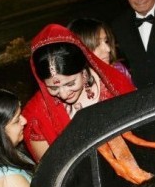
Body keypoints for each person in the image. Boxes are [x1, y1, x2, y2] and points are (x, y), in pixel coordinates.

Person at [22, 23, 136, 162]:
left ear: (83, 71)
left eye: (70, 84)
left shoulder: (113, 85)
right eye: (53, 88)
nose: (64, 94)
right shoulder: (36, 115)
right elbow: (52, 167)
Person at [67, 17, 133, 84]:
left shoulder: (119, 70)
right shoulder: (72, 84)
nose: (108, 49)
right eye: (97, 44)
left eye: (106, 41)